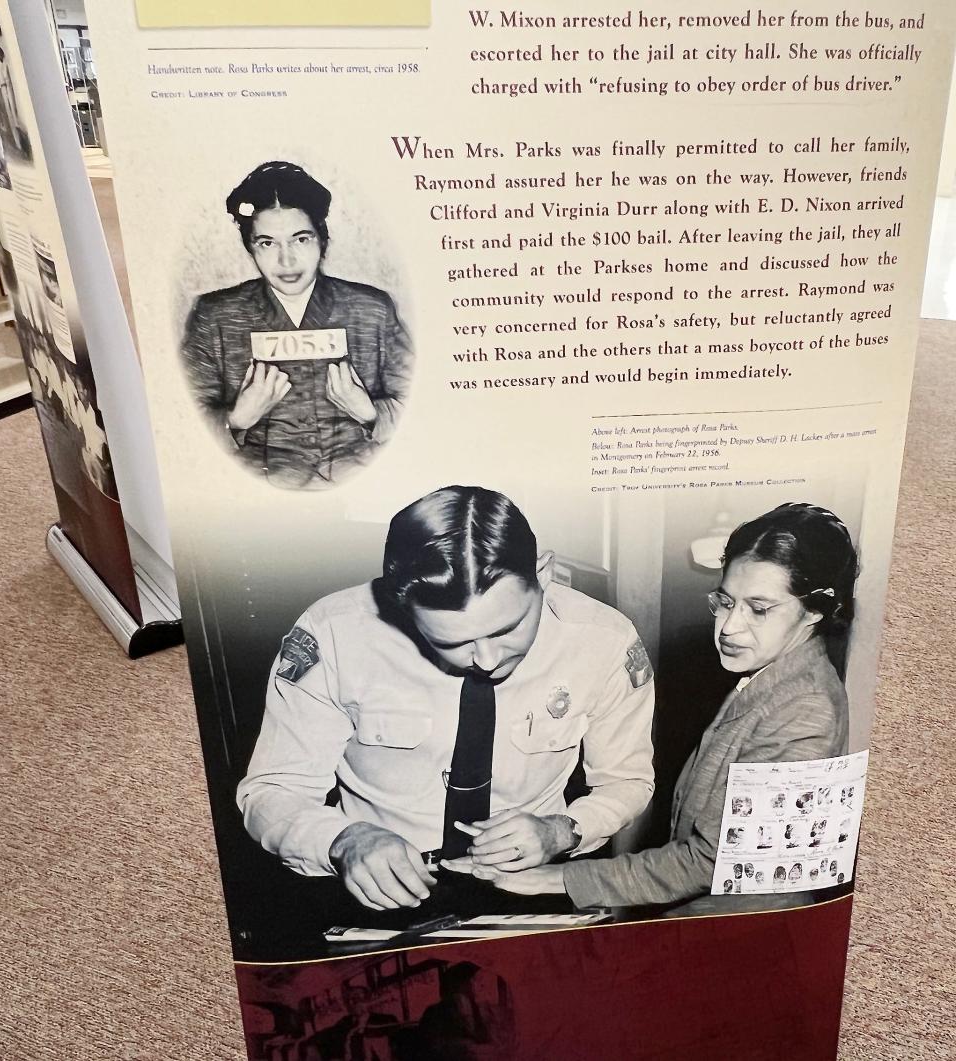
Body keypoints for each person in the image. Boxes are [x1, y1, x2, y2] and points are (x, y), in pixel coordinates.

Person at [236, 485, 655, 911]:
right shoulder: (335, 634)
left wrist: (563, 829)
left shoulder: (604, 641)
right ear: (403, 606)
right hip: (374, 897)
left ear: (542, 574)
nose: (488, 661)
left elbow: (627, 780)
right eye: (452, 642)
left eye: (507, 629)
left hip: (534, 888)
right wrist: (343, 840)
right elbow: (272, 791)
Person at [451, 502, 858, 912]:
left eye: (758, 609)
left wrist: (555, 878)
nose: (730, 626)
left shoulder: (805, 707)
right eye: (725, 601)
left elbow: (713, 861)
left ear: (816, 609)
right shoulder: (771, 678)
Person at [182, 161, 413, 488]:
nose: (286, 260)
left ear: (322, 241)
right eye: (267, 243)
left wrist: (370, 413)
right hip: (260, 484)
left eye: (300, 239)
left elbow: (417, 406)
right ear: (250, 248)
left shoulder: (373, 309)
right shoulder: (214, 315)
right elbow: (182, 423)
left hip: (364, 477)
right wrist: (237, 419)